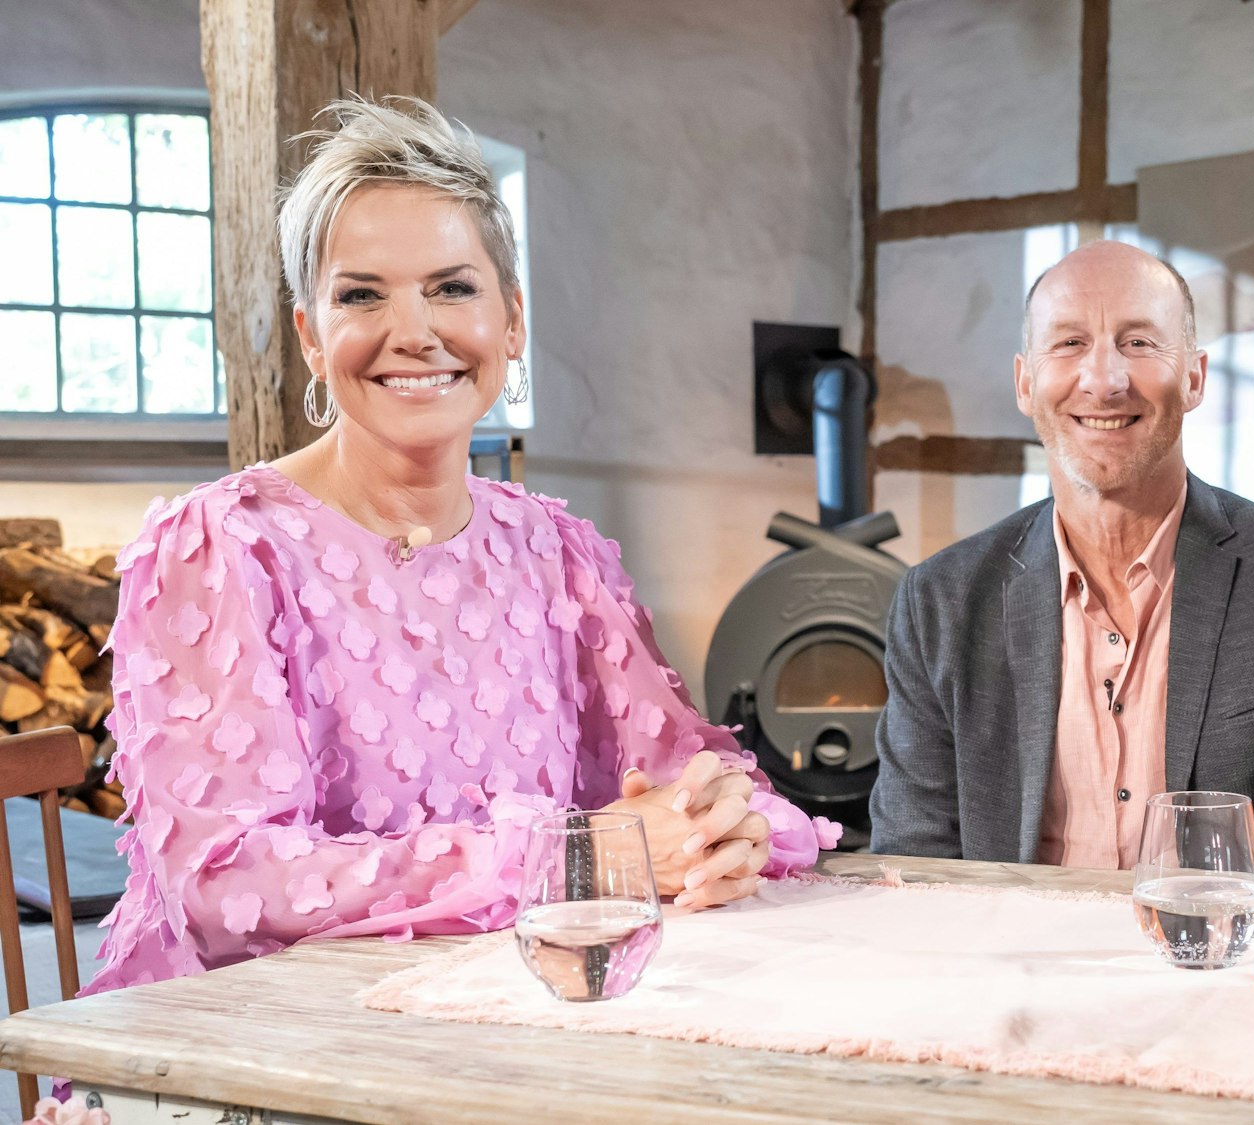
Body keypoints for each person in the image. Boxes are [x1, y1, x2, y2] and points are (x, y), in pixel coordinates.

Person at [85, 97, 838, 994]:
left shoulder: (555, 547)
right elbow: (227, 884)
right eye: (361, 293)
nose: (415, 330)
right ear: (311, 339)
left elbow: (687, 775)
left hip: (503, 1011)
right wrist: (579, 857)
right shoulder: (219, 546)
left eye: (452, 286)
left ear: (511, 322)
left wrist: (728, 824)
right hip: (253, 1044)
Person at [870, 240, 1254, 885]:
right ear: (1025, 382)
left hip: (1233, 971)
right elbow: (914, 872)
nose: (1104, 380)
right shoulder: (942, 600)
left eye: (1140, 343)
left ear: (1195, 377)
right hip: (1011, 972)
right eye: (1068, 343)